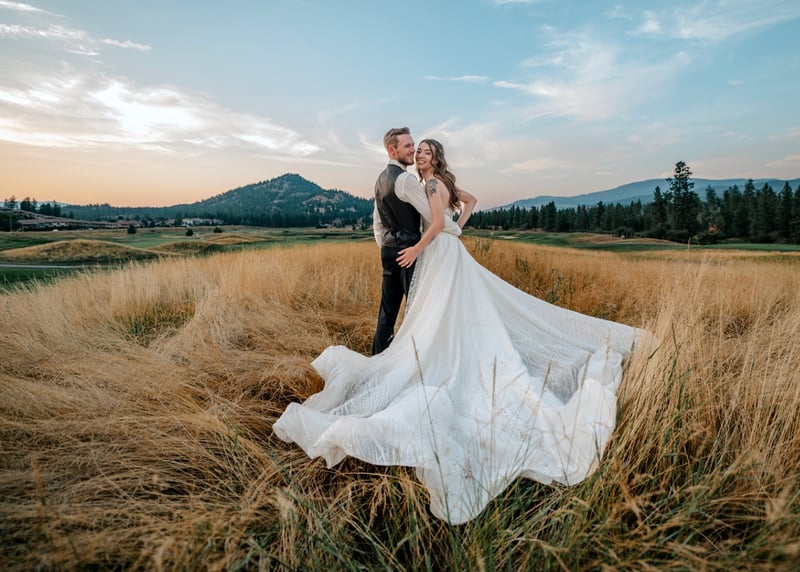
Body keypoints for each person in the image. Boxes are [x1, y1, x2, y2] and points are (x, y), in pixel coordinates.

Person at [274, 138, 650, 525]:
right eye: (416, 151)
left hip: (438, 252)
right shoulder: (439, 183)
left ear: (434, 158)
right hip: (448, 251)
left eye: (424, 152)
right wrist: (458, 229)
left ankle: (447, 356)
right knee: (451, 312)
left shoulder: (431, 185)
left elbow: (438, 223)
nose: (419, 155)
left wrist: (423, 246)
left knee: (442, 312)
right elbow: (468, 202)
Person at [370, 127, 449, 355]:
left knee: (387, 312)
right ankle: (413, 359)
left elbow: (377, 223)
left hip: (389, 251)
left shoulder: (380, 180)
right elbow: (433, 217)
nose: (413, 150)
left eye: (413, 145)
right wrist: (454, 230)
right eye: (408, 146)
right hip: (409, 253)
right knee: (417, 310)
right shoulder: (406, 179)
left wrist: (386, 246)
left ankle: (377, 358)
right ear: (392, 150)